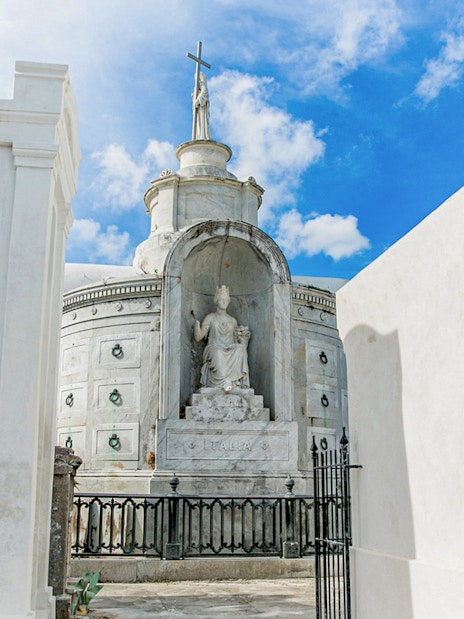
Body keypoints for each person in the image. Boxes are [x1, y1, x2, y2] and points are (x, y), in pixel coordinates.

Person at [194, 286, 250, 391]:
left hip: (229, 347)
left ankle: (233, 381)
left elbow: (236, 340)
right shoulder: (210, 317)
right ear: (216, 301)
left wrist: (244, 340)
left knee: (240, 349)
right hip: (214, 347)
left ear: (228, 301)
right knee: (218, 353)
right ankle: (225, 381)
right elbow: (198, 337)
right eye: (221, 299)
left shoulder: (233, 320)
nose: (223, 302)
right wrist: (197, 326)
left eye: (225, 300)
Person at [194, 72, 211, 140]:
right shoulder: (198, 87)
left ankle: (202, 135)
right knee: (198, 123)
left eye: (197, 78)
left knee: (202, 123)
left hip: (202, 109)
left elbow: (204, 94)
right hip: (198, 109)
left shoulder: (203, 85)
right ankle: (199, 135)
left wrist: (197, 101)